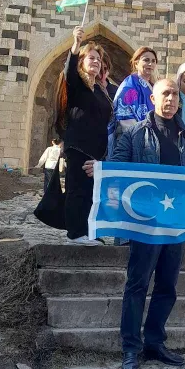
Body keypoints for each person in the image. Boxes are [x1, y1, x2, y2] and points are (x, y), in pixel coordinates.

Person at [111, 78, 185, 369]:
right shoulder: (135, 134)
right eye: (165, 93)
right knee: (138, 283)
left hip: (177, 223)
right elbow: (118, 166)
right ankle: (131, 347)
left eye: (174, 94)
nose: (170, 99)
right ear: (153, 99)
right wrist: (100, 169)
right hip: (145, 222)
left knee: (167, 285)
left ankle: (154, 342)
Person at [55, 26, 112, 244]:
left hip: (96, 150)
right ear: (82, 61)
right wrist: (76, 45)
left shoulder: (100, 90)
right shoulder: (76, 83)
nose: (96, 61)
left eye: (98, 59)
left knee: (91, 191)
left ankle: (89, 232)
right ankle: (75, 233)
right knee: (77, 189)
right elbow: (69, 70)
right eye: (91, 58)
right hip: (79, 146)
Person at [108, 46, 157, 154]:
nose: (150, 64)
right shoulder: (130, 85)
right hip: (132, 141)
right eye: (146, 60)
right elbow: (124, 112)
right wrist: (139, 137)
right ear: (136, 63)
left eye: (153, 61)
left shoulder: (153, 86)